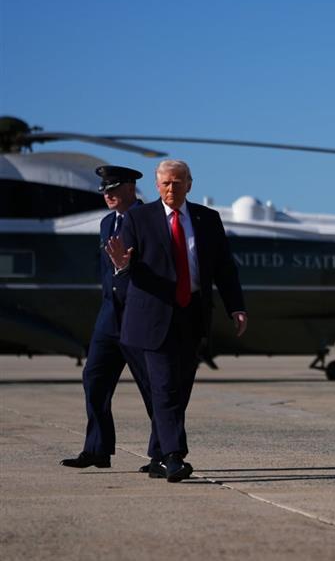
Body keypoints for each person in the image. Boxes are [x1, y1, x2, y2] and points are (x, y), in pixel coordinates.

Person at [106, 159, 247, 482]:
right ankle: (173, 457)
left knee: (179, 389)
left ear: (190, 185)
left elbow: (225, 268)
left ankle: (157, 455)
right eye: (166, 183)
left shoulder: (207, 219)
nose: (172, 188)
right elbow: (126, 269)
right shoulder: (138, 218)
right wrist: (121, 266)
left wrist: (236, 306)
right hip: (153, 316)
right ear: (157, 186)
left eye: (178, 182)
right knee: (166, 387)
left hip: (193, 313)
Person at [61, 165, 152, 469]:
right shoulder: (106, 223)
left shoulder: (150, 219)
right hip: (109, 316)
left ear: (130, 187)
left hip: (140, 316)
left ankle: (164, 453)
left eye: (113, 190)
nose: (108, 196)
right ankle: (98, 448)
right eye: (104, 191)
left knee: (153, 386)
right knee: (94, 379)